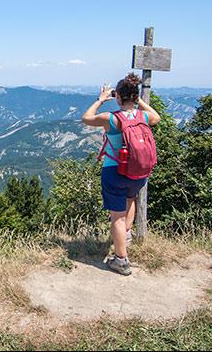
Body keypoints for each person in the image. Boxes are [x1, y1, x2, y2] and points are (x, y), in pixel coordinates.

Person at [81, 73, 160, 275]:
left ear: (118, 97)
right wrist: (140, 101)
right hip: (138, 172)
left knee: (117, 215)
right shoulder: (144, 116)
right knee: (130, 199)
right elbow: (157, 117)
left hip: (114, 170)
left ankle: (121, 260)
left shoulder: (111, 119)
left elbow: (86, 118)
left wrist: (100, 100)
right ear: (134, 97)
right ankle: (126, 235)